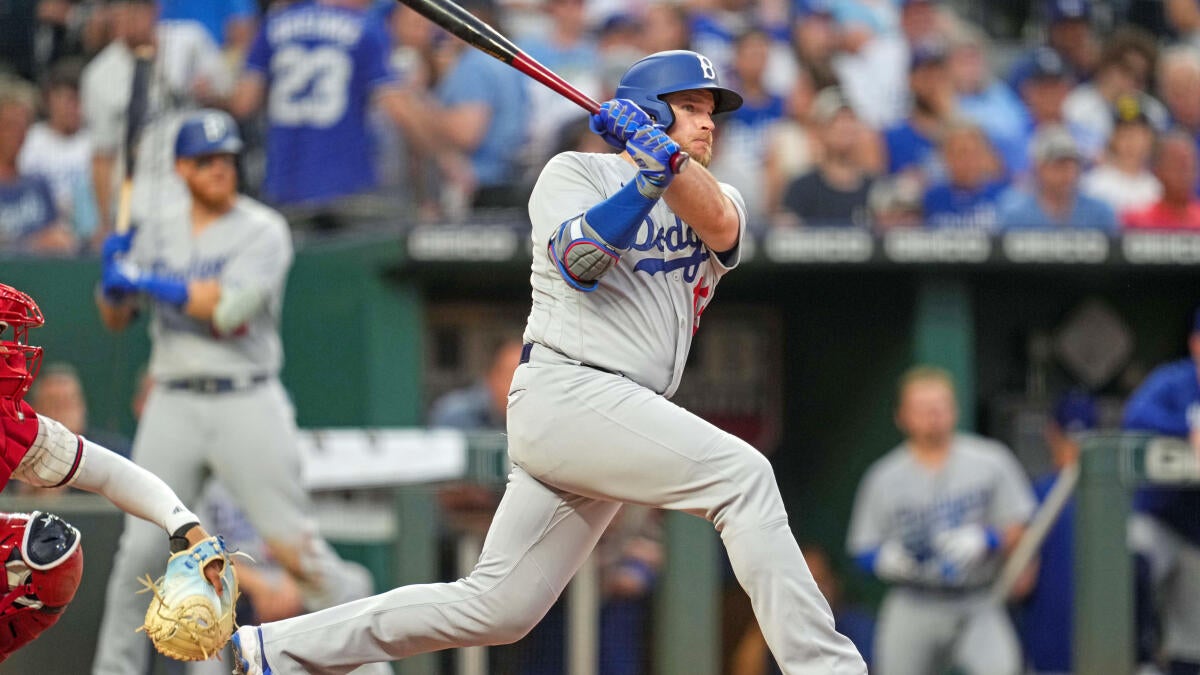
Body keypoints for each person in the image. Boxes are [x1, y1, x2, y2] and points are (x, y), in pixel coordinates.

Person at [229, 49, 868, 675]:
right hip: (569, 389)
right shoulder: (573, 173)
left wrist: (662, 160)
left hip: (616, 409)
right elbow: (579, 262)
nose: (708, 122)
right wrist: (645, 178)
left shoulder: (716, 192)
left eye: (713, 112)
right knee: (743, 475)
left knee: (496, 608)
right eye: (692, 107)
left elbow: (722, 225)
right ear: (649, 109)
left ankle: (272, 650)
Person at [91, 109, 383, 675]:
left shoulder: (263, 229)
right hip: (172, 398)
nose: (220, 170)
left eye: (227, 159)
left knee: (300, 556)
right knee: (141, 553)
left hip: (245, 398)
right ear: (181, 168)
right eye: (206, 161)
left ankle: (371, 667)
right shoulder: (156, 228)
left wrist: (144, 280)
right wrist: (110, 282)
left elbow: (230, 311)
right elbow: (114, 318)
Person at [0, 281, 225, 662]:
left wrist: (182, 524)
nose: (8, 351)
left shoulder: (10, 423)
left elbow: (105, 471)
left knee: (49, 551)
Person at [847, 365, 1035, 675]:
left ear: (954, 410)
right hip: (914, 599)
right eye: (922, 408)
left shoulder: (991, 460)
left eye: (940, 406)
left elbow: (1021, 525)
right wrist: (885, 559)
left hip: (976, 598)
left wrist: (985, 538)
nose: (933, 416)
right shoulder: (883, 476)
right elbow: (861, 548)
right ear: (901, 416)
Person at [229, 0, 425, 230]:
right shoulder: (366, 27)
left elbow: (243, 103)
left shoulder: (274, 24)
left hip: (285, 181)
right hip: (348, 183)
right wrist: (445, 154)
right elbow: (398, 109)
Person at [83, 0, 234, 250]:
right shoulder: (99, 74)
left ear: (154, 10)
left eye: (136, 9)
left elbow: (233, 98)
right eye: (121, 10)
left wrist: (212, 95)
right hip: (138, 201)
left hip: (195, 190)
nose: (128, 17)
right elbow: (102, 155)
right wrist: (104, 222)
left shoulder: (190, 42)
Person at [1122, 307, 1200, 675]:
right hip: (1164, 518)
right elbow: (1135, 415)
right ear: (1195, 343)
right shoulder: (1174, 380)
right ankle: (1140, 658)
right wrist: (1185, 426)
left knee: (1191, 646)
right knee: (1130, 555)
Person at [1018, 389, 1098, 675]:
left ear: (1051, 432)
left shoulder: (1035, 495)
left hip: (1053, 647)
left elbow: (1021, 583)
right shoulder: (1118, 497)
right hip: (1101, 644)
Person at [778, 86, 875, 228]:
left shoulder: (875, 189)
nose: (845, 127)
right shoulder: (801, 189)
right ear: (818, 130)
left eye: (850, 120)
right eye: (835, 121)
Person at [0, 75, 76, 255]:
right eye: (10, 126)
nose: (17, 134)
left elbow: (58, 237)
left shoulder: (38, 185)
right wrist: (30, 243)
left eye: (22, 126)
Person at [996, 124, 1119, 231]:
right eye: (1059, 165)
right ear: (1039, 168)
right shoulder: (1016, 216)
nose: (1068, 174)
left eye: (1073, 166)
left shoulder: (1099, 214)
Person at [1123, 130, 1200, 229]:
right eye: (1176, 165)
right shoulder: (1137, 221)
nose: (1184, 173)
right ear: (1157, 170)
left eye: (1188, 165)